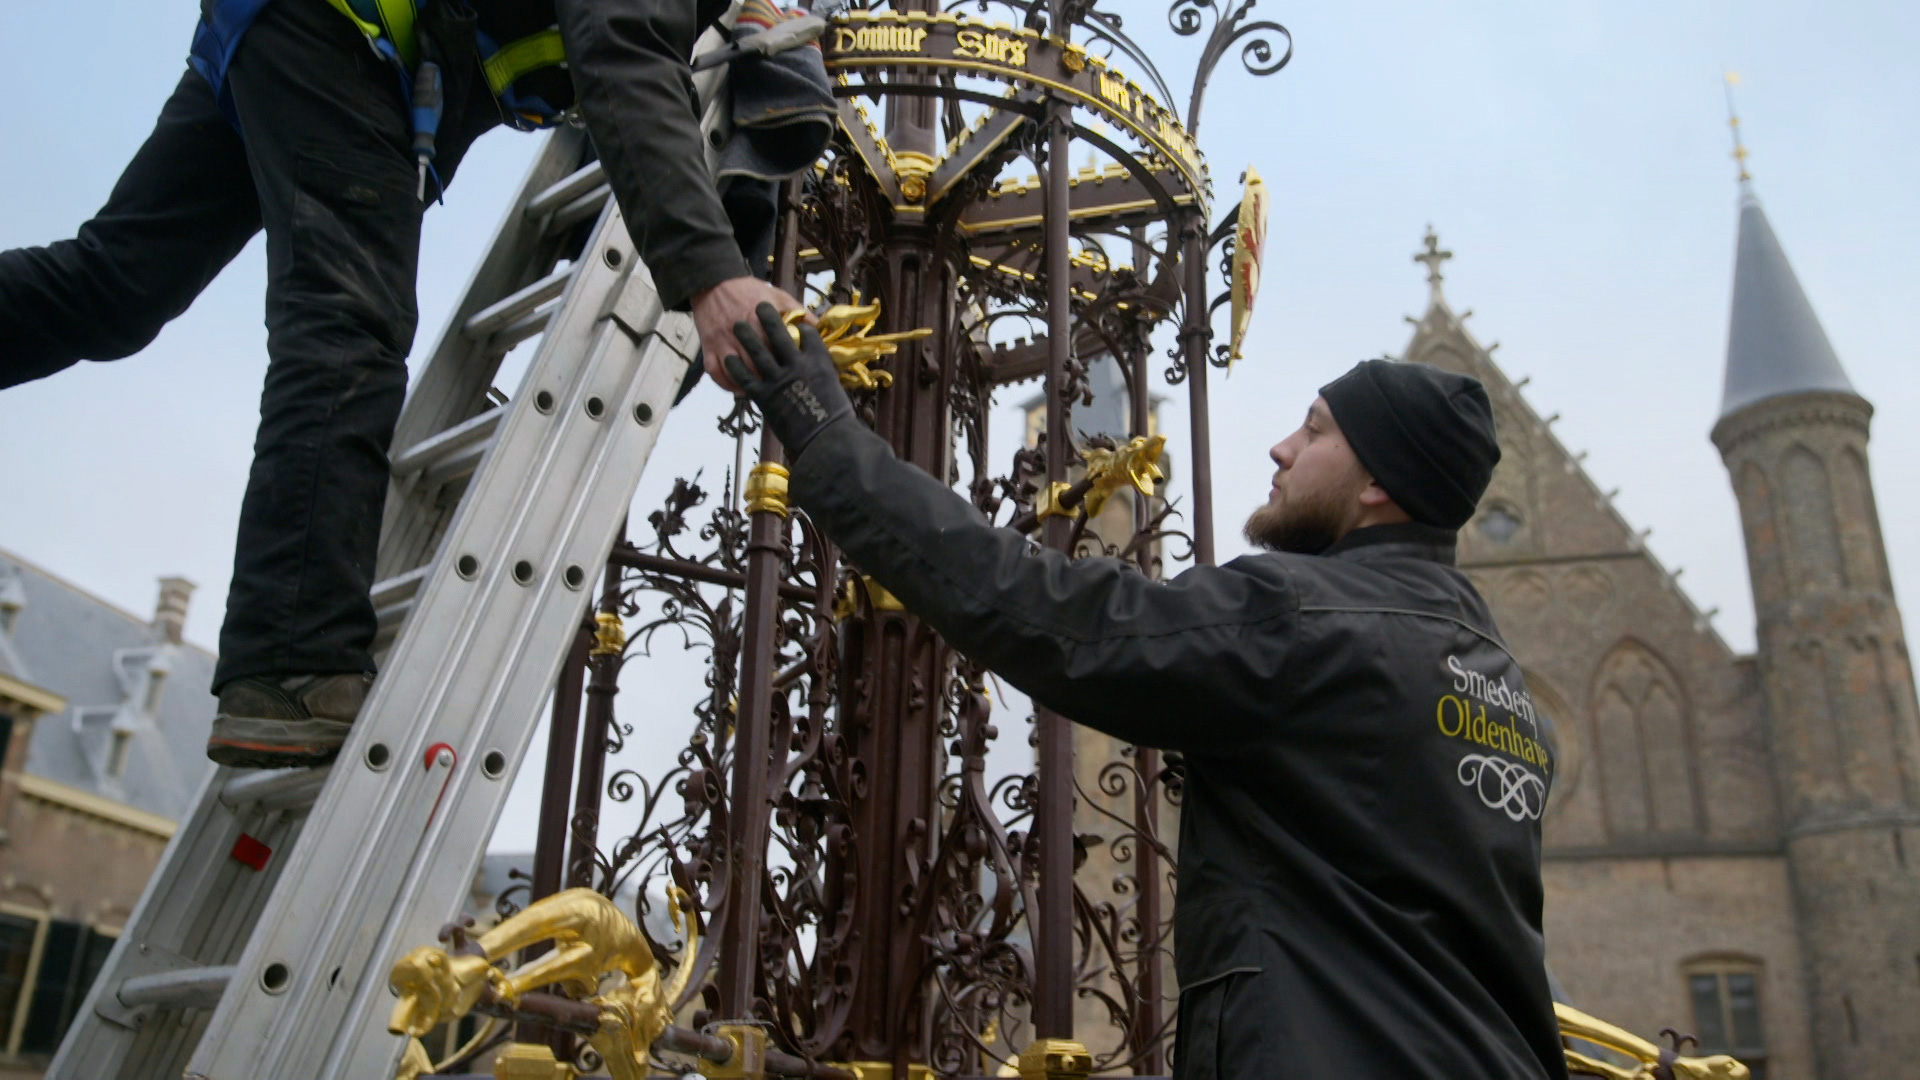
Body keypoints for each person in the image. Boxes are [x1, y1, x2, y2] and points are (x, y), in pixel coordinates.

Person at [723, 305, 1569, 1079]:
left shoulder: (1306, 624)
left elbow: (1047, 612)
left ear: (1379, 484)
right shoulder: (1508, 696)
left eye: (1314, 433)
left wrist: (826, 436)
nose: (1281, 448)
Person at [0, 0, 802, 768]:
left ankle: (289, 658)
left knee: (115, 287)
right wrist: (709, 277)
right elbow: (623, 56)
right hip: (341, 32)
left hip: (281, 28)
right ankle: (292, 667)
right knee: (349, 326)